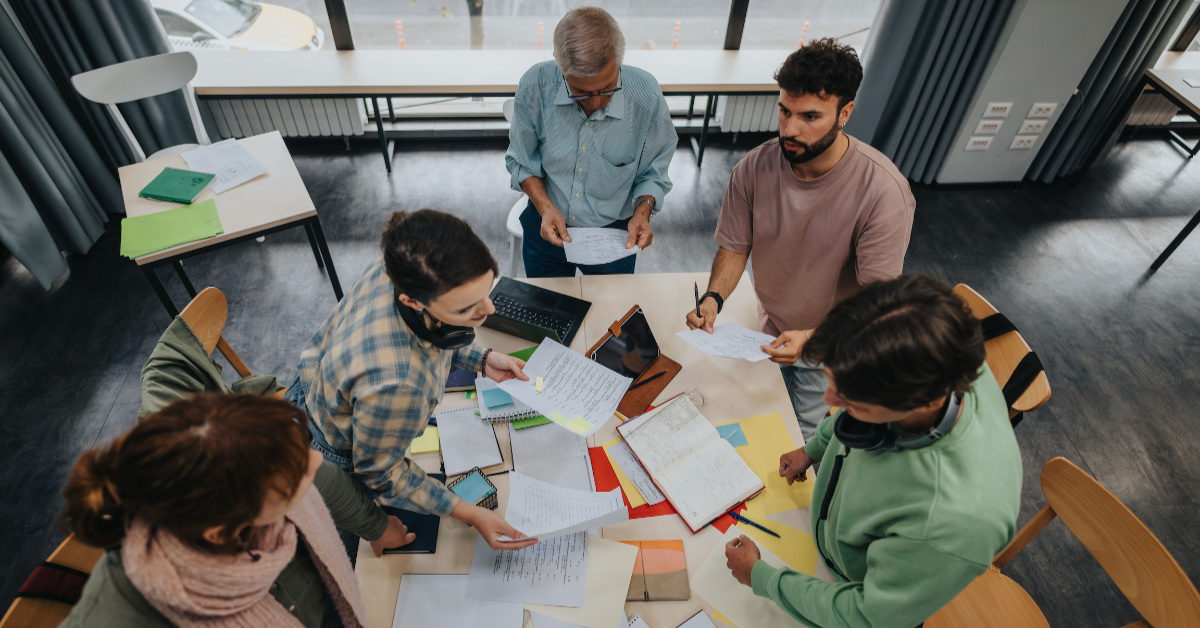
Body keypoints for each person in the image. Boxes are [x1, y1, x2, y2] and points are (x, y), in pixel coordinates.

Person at [722, 275, 1022, 628]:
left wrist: (765, 579)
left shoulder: (952, 523)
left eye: (850, 401)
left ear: (924, 402)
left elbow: (865, 616)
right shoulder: (936, 348)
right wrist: (815, 447)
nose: (829, 404)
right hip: (832, 540)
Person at [685, 39, 915, 440]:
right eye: (784, 112)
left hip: (832, 347)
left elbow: (877, 305)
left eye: (810, 116)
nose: (790, 130)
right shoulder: (755, 166)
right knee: (748, 426)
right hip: (768, 329)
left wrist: (811, 339)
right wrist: (713, 298)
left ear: (845, 113)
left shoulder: (884, 192)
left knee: (804, 445)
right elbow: (736, 246)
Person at [288, 210, 536, 554]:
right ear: (413, 302)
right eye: (467, 308)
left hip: (309, 391)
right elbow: (382, 473)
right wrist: (470, 513)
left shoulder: (398, 265)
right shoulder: (400, 385)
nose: (489, 309)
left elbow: (430, 335)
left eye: (487, 289)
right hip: (335, 456)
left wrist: (480, 359)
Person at [60, 393, 411, 628]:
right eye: (292, 481)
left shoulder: (242, 462)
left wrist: (378, 527)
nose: (314, 461)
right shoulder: (120, 613)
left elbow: (324, 478)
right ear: (223, 532)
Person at [506, 6, 677, 277]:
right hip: (546, 225)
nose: (596, 102)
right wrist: (545, 207)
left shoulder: (646, 97)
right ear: (559, 65)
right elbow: (521, 162)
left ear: (620, 62)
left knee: (611, 315)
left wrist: (643, 211)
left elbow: (654, 172)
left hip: (614, 237)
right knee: (545, 313)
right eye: (581, 92)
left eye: (608, 88)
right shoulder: (534, 87)